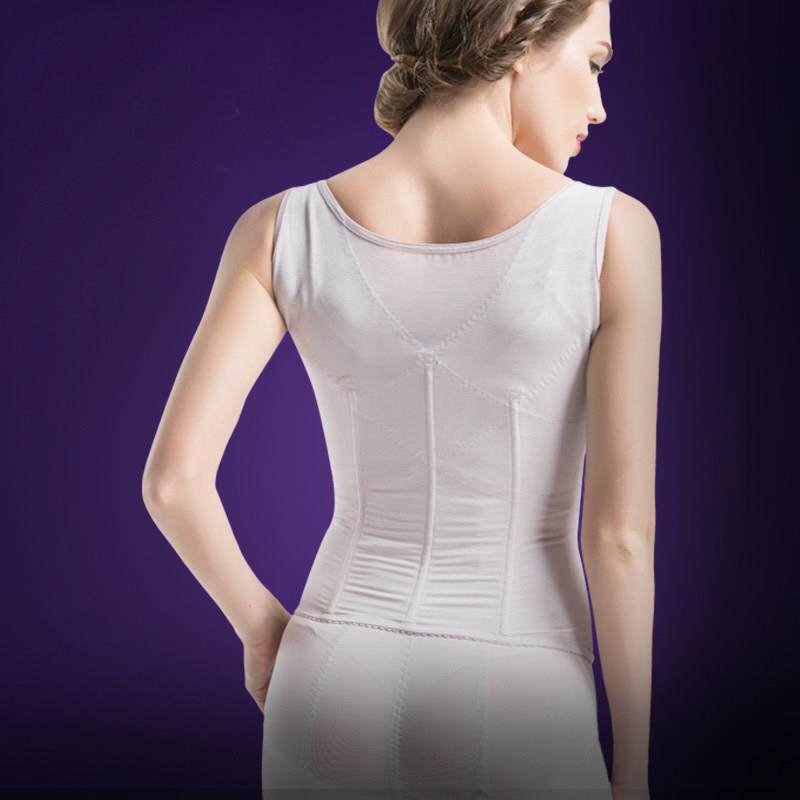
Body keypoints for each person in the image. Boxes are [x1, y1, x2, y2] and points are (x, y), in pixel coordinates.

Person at [142, 0, 659, 797]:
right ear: (515, 33)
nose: (598, 106)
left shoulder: (279, 227)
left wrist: (264, 632)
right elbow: (620, 538)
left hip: (329, 676)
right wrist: (634, 769)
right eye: (593, 63)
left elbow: (173, 484)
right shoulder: (611, 232)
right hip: (520, 690)